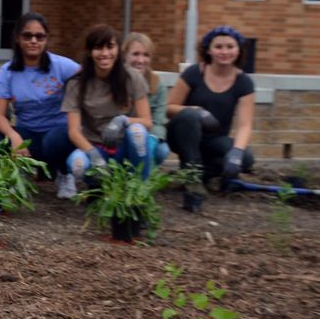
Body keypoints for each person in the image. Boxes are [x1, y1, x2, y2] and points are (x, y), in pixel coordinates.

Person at [0, 12, 78, 190]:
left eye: (40, 36)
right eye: (27, 35)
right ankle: (19, 170)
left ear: (46, 40)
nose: (33, 40)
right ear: (17, 38)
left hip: (57, 133)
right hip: (27, 133)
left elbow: (92, 78)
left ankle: (63, 172)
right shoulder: (8, 71)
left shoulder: (62, 65)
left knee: (55, 140)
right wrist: (14, 137)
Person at [166, 25, 256, 211]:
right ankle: (192, 177)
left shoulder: (243, 82)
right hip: (183, 135)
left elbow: (245, 125)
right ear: (208, 49)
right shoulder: (194, 73)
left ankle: (207, 174)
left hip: (213, 140)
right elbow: (168, 108)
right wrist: (196, 110)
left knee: (246, 158)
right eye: (219, 46)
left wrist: (237, 153)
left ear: (238, 50)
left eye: (230, 46)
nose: (224, 52)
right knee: (190, 116)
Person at [62, 25, 155, 199]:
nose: (105, 53)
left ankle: (139, 195)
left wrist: (122, 120)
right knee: (77, 164)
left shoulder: (132, 77)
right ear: (89, 51)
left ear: (118, 50)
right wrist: (93, 154)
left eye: (110, 47)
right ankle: (99, 189)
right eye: (98, 47)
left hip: (123, 146)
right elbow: (73, 131)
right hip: (95, 145)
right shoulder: (77, 84)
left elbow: (147, 121)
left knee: (138, 132)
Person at [123, 32, 170, 164]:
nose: (141, 60)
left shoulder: (157, 84)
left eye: (146, 55)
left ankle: (145, 175)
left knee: (162, 150)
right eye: (135, 54)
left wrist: (150, 142)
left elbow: (158, 121)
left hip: (147, 135)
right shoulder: (115, 81)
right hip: (120, 134)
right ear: (125, 55)